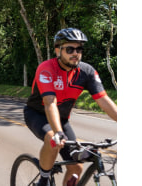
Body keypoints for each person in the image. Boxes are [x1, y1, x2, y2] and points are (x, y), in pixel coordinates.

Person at [23, 28, 117, 186]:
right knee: (52, 138)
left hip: (62, 119)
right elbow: (50, 102)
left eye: (79, 49)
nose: (76, 53)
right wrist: (58, 133)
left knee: (76, 167)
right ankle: (44, 180)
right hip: (37, 114)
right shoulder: (46, 68)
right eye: (70, 49)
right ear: (57, 50)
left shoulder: (86, 72)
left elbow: (104, 101)